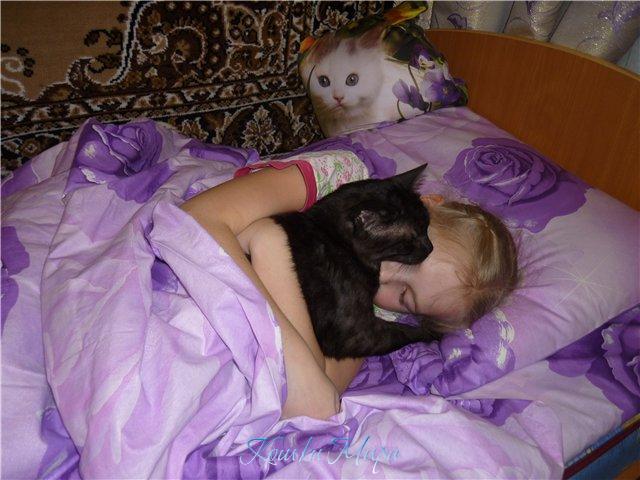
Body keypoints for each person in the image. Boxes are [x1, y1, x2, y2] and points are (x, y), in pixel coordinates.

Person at [180, 151, 518, 421]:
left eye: (404, 297)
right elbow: (195, 220)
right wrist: (274, 250)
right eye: (404, 257)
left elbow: (322, 383)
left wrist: (272, 253)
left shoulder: (377, 312)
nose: (383, 277)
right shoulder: (341, 178)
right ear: (423, 207)